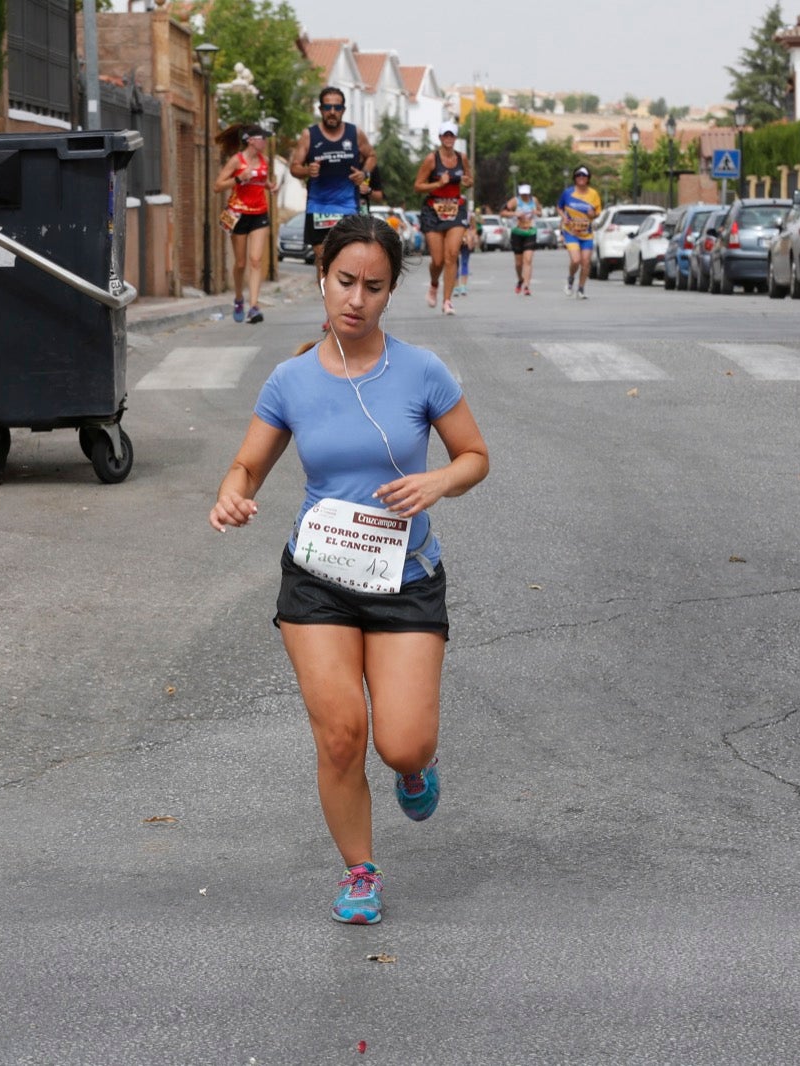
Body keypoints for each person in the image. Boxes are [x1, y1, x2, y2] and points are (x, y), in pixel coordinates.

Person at [208, 214, 490, 926]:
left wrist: (438, 483)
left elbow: (474, 456)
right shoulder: (290, 380)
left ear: (392, 291)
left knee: (402, 741)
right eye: (344, 282)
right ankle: (360, 870)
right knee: (340, 733)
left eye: (373, 286)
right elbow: (249, 463)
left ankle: (415, 767)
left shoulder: (422, 371)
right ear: (322, 279)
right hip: (319, 578)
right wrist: (233, 493)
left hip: (406, 577)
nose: (356, 300)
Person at [289, 87, 377, 287]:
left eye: (337, 107)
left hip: (347, 206)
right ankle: (329, 309)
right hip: (318, 206)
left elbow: (371, 155)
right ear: (320, 109)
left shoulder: (355, 133)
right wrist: (306, 171)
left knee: (348, 257)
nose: (332, 111)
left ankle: (342, 303)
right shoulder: (309, 135)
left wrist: (364, 174)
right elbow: (294, 167)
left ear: (343, 110)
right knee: (322, 259)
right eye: (328, 107)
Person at [214, 127, 279, 324]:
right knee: (241, 263)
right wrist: (239, 178)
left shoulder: (264, 160)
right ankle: (239, 298)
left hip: (259, 213)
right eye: (263, 139)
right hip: (238, 213)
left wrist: (270, 186)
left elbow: (263, 180)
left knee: (256, 260)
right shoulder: (237, 160)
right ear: (251, 140)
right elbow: (217, 186)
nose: (265, 143)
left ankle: (253, 306)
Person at [414, 121, 473, 315]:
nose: (449, 138)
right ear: (440, 137)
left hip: (455, 208)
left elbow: (470, 180)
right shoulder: (432, 159)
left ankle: (447, 301)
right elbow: (418, 186)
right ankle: (433, 285)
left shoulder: (462, 158)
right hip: (433, 209)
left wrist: (467, 181)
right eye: (445, 135)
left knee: (452, 255)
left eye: (452, 135)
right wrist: (438, 183)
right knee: (438, 260)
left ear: (455, 138)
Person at [558, 166, 601, 299]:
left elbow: (597, 213)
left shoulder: (593, 194)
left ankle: (581, 289)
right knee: (576, 260)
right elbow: (559, 207)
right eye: (578, 175)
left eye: (584, 175)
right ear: (574, 178)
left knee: (586, 262)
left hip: (586, 234)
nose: (581, 178)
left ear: (588, 178)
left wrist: (592, 214)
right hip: (571, 232)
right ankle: (570, 279)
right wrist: (563, 216)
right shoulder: (568, 193)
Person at [502, 182, 540, 295]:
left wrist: (536, 212)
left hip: (530, 232)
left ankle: (527, 286)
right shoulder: (515, 201)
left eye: (526, 194)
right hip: (517, 232)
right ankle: (520, 279)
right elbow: (503, 212)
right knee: (519, 263)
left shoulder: (534, 200)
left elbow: (540, 212)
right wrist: (514, 214)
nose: (525, 196)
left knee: (527, 260)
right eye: (523, 194)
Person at [455, 215, 475, 296]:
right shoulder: (453, 213)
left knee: (464, 263)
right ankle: (456, 287)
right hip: (456, 240)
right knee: (455, 264)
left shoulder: (469, 215)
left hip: (465, 241)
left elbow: (473, 228)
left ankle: (462, 287)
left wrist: (470, 237)